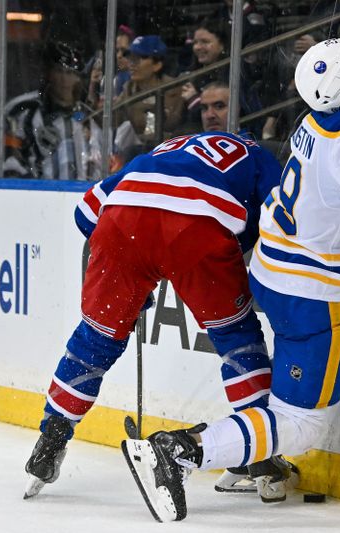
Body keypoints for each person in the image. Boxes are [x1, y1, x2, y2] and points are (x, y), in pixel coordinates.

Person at [121, 38, 340, 523]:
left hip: (276, 273)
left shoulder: (317, 120)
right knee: (301, 425)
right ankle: (181, 450)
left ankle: (241, 453)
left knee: (286, 400)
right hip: (312, 296)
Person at [23, 130, 286, 500]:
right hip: (198, 231)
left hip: (122, 223)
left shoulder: (167, 148)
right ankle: (261, 454)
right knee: (237, 338)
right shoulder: (262, 158)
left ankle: (52, 434)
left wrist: (130, 269)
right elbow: (283, 218)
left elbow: (86, 213)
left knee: (95, 340)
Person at [4, 41, 102, 180]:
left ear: (79, 78)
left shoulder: (90, 117)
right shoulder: (24, 110)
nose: (64, 79)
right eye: (59, 70)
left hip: (83, 197)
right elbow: (10, 163)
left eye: (70, 72)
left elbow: (100, 163)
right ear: (48, 72)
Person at [111, 35, 184, 161]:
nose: (132, 64)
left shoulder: (174, 88)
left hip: (173, 152)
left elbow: (167, 126)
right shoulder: (128, 89)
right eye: (131, 58)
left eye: (139, 58)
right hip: (145, 151)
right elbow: (113, 121)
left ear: (157, 65)